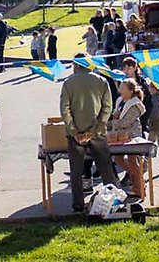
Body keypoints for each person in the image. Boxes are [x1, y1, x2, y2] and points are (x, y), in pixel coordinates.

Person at [60, 53, 118, 212]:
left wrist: (74, 131)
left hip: (76, 134)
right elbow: (107, 108)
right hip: (97, 133)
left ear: (75, 65)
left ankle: (78, 204)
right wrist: (96, 130)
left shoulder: (68, 83)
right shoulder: (102, 81)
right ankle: (112, 201)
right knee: (106, 169)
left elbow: (65, 109)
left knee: (76, 171)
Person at [108, 79, 147, 198]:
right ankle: (135, 178)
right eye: (120, 88)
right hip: (120, 136)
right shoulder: (120, 101)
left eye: (123, 88)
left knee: (132, 161)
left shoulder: (135, 104)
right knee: (118, 159)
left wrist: (111, 123)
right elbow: (116, 117)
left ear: (131, 91)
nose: (120, 90)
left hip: (132, 136)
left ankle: (139, 188)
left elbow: (126, 122)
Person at [122, 57, 153, 135]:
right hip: (125, 118)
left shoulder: (142, 83)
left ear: (135, 68)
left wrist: (144, 119)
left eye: (128, 68)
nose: (126, 71)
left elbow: (148, 102)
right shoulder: (122, 82)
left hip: (139, 118)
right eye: (124, 69)